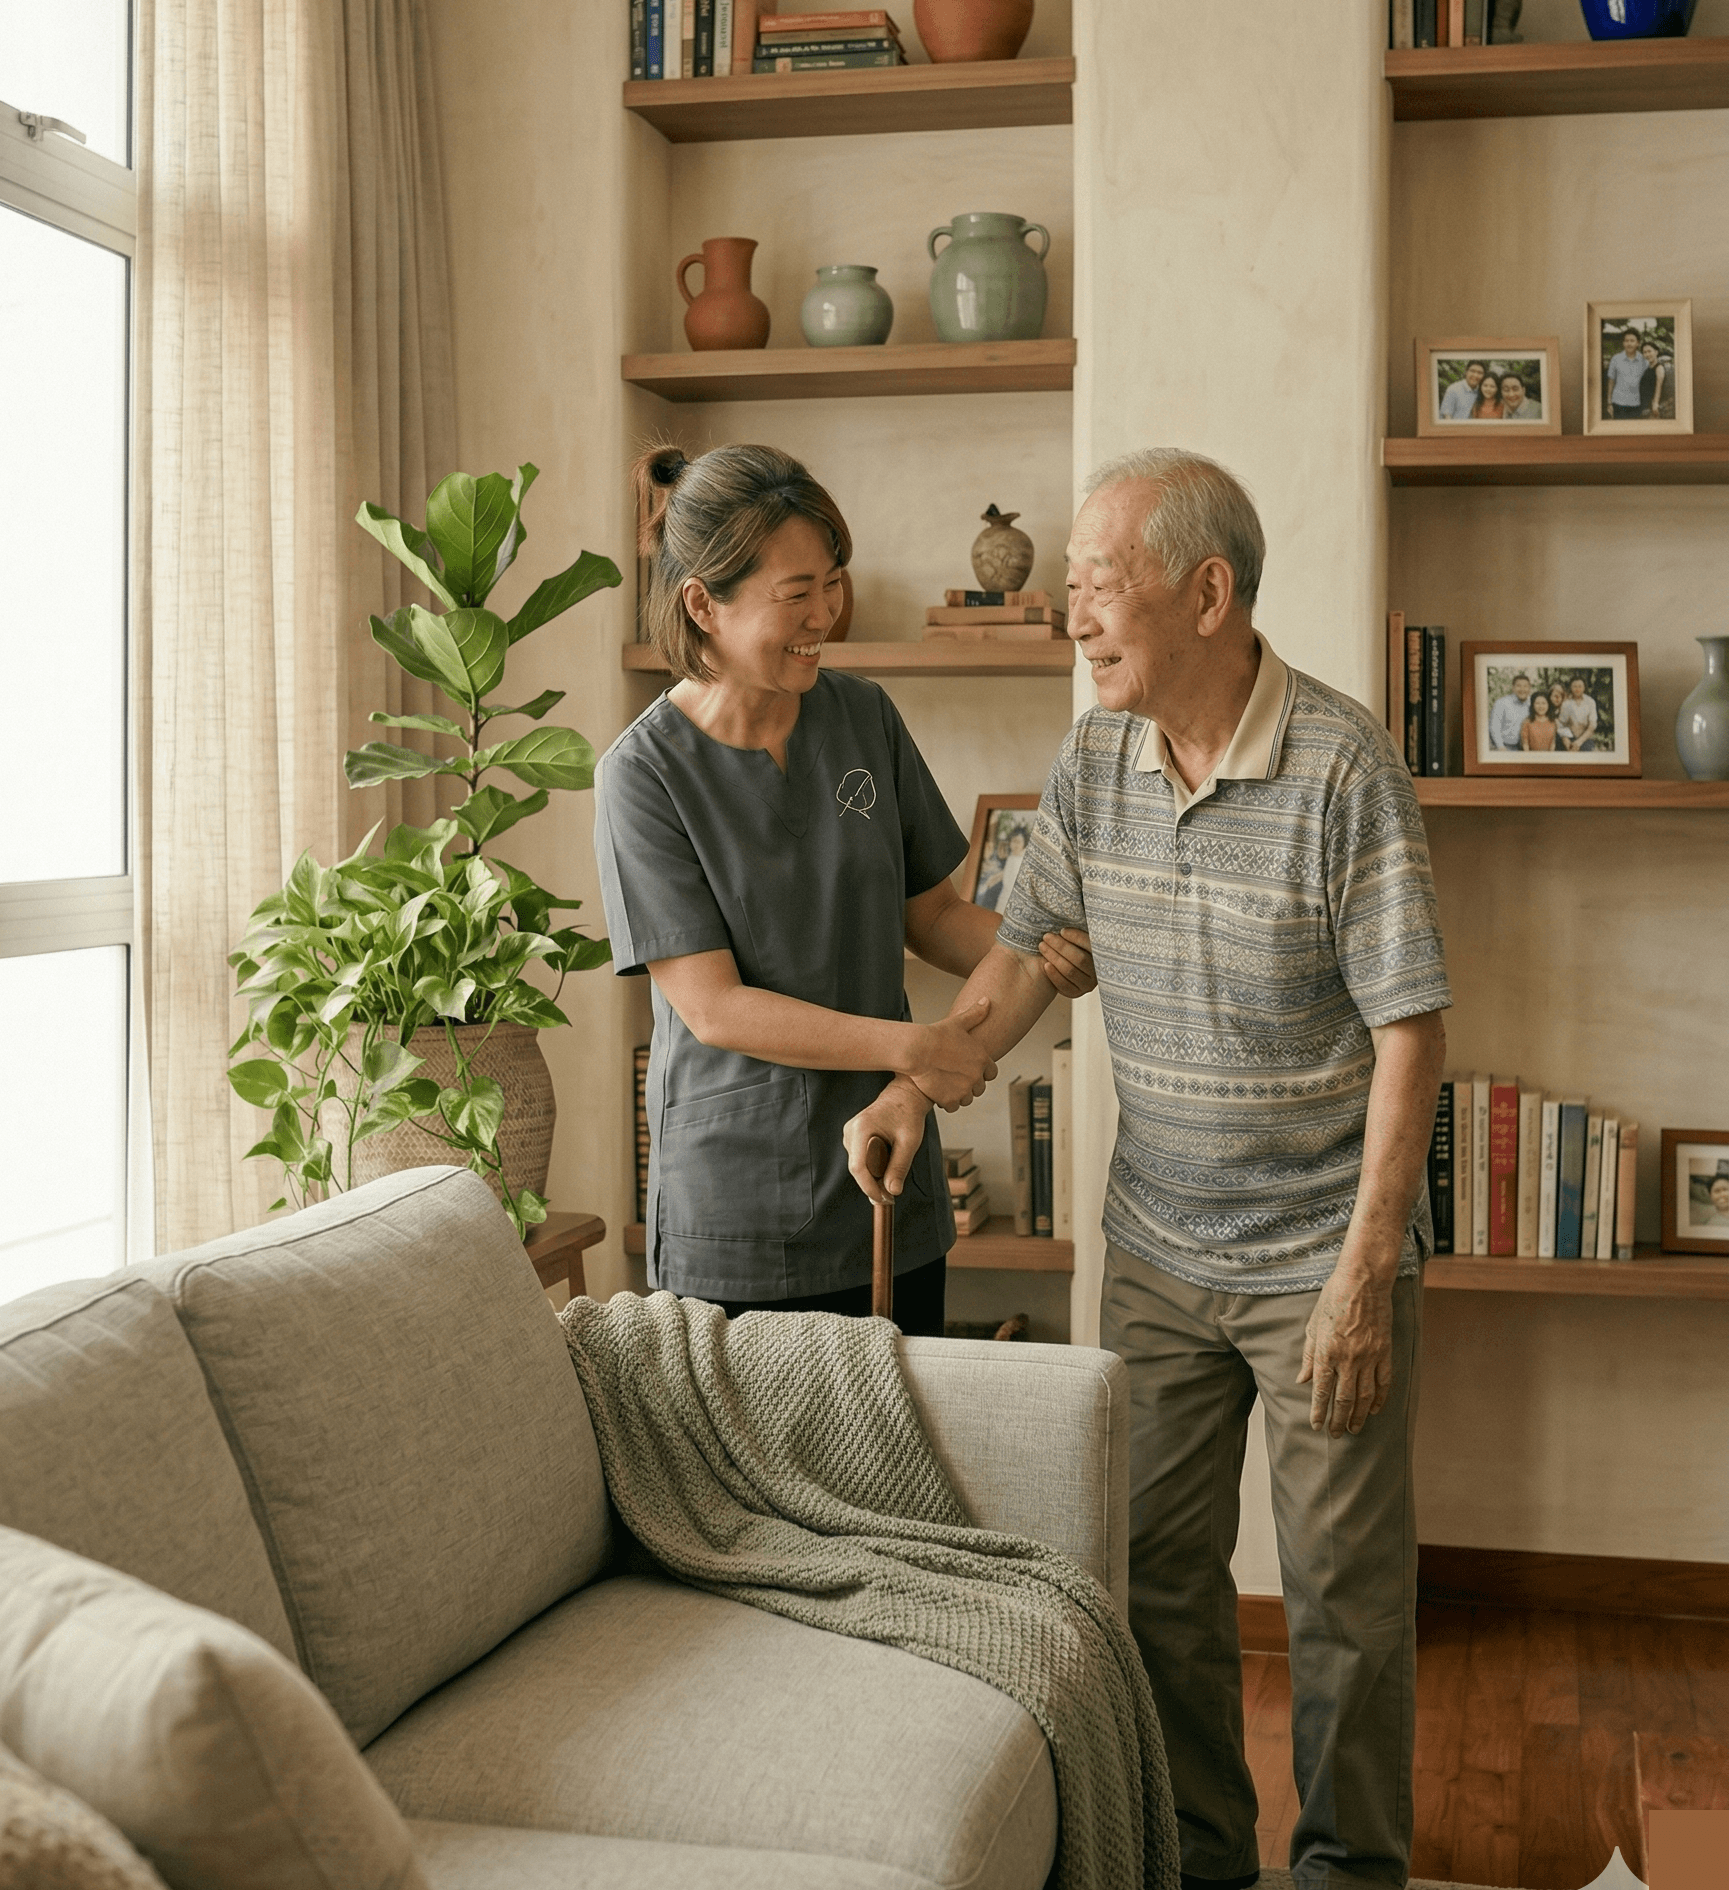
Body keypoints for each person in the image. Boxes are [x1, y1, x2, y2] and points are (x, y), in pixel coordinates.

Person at [844, 448, 1449, 1890]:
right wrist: (918, 1083)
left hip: (1318, 1265)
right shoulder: (1095, 759)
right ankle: (1201, 1860)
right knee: (1158, 1580)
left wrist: (1364, 1274)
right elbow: (1025, 958)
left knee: (1342, 1603)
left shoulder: (1344, 768)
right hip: (1162, 1255)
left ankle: (1351, 1872)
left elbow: (1411, 1033)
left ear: (1209, 591)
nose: (1074, 616)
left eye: (1100, 587)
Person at [594, 444, 1094, 1338]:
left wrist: (1041, 947)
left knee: (897, 1464)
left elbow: (933, 915)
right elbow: (714, 1008)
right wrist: (917, 1046)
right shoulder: (643, 773)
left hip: (886, 1178)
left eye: (832, 582)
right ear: (702, 603)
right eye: (797, 594)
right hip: (737, 1201)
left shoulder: (861, 715)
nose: (826, 612)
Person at [1605, 328, 1651, 419]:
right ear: (1623, 343)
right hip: (1618, 403)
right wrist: (1609, 403)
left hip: (1637, 404)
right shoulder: (1616, 359)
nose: (1629, 343)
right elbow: (1611, 381)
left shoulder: (1644, 360)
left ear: (1637, 343)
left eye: (1632, 341)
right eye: (1626, 341)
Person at [1489, 671, 1533, 752]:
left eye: (1525, 686)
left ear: (1530, 688)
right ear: (1513, 688)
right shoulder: (1501, 703)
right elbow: (1494, 727)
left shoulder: (1533, 703)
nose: (1522, 689)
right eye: (1519, 686)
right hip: (1505, 747)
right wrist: (1500, 746)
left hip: (1526, 748)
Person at [1558, 675, 1599, 752]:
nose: (1577, 689)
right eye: (1574, 686)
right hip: (1569, 737)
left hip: (1586, 738)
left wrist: (1578, 742)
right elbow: (1561, 724)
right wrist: (1566, 741)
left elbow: (1592, 725)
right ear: (1570, 687)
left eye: (1580, 686)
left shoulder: (1590, 702)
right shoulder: (1566, 704)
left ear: (1584, 687)